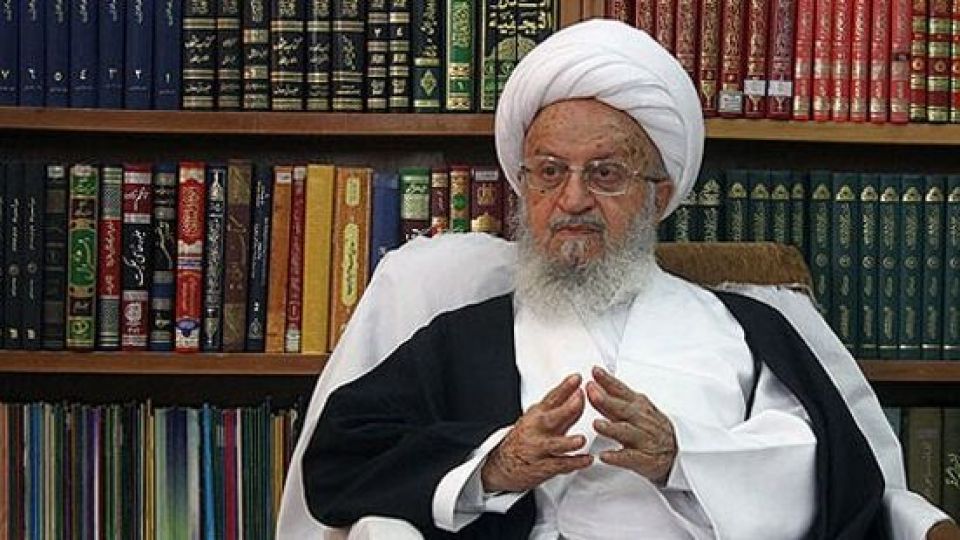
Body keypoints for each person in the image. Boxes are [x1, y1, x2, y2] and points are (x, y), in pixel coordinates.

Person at [277, 19, 958, 539]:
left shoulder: (747, 325)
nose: (572, 199)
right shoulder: (462, 339)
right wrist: (494, 464)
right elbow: (343, 456)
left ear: (658, 197)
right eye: (549, 172)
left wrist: (683, 457)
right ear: (523, 188)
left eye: (605, 173)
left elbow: (833, 472)